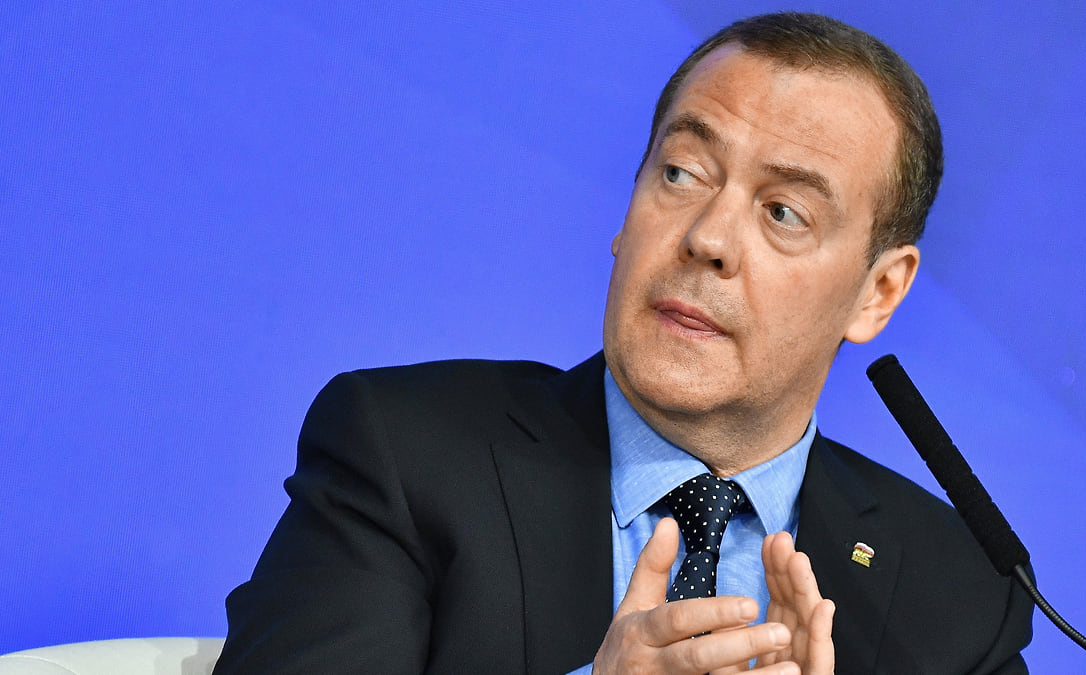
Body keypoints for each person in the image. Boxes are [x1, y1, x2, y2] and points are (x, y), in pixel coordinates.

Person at [215, 12, 1033, 675]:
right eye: (682, 172)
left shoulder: (958, 595)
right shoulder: (406, 452)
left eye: (784, 212)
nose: (708, 237)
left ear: (877, 292)